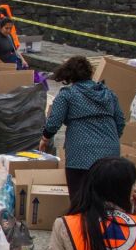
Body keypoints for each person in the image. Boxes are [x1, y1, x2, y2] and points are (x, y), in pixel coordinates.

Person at [39, 56, 124, 201]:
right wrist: (109, 140)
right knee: (107, 202)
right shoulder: (109, 94)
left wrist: (45, 138)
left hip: (81, 157)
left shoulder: (68, 95)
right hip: (111, 157)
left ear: (69, 74)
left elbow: (54, 122)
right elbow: (120, 122)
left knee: (81, 201)